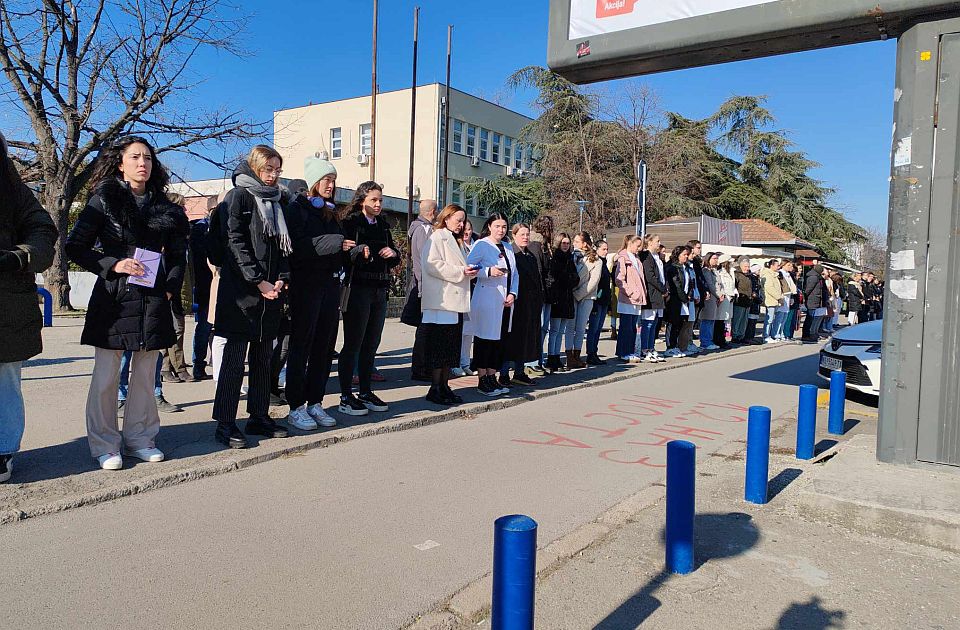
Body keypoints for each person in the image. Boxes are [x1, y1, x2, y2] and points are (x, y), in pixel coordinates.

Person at [66, 136, 189, 469]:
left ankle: (139, 438)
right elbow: (75, 247)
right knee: (106, 376)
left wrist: (170, 288)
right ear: (120, 163)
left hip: (152, 298)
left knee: (146, 375)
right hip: (114, 298)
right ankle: (105, 443)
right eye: (135, 157)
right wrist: (113, 264)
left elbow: (179, 256)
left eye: (148, 158)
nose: (142, 163)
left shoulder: (168, 209)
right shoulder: (102, 201)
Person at [210, 145, 292, 449]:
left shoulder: (276, 201)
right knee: (233, 362)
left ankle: (258, 415)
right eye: (268, 169)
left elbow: (282, 246)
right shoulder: (239, 197)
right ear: (255, 168)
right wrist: (258, 282)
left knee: (262, 359)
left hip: (270, 295)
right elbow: (234, 243)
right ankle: (225, 423)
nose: (273, 176)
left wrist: (281, 278)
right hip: (241, 295)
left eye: (277, 170)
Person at [0, 131, 58, 483]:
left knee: (6, 377)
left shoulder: (11, 187)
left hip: (7, 298)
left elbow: (43, 230)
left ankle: (4, 449)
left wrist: (18, 257)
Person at [282, 157, 353, 430]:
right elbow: (297, 247)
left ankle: (315, 402)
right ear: (313, 182)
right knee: (302, 346)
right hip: (306, 286)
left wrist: (353, 251)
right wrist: (335, 243)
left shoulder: (330, 212)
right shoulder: (296, 210)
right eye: (326, 180)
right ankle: (295, 406)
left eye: (333, 181)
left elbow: (338, 245)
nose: (331, 185)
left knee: (324, 347)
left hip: (330, 285)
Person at [336, 181, 401, 415]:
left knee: (371, 343)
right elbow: (342, 253)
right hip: (358, 288)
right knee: (353, 343)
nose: (378, 204)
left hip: (379, 288)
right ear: (362, 199)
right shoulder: (350, 222)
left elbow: (395, 254)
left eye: (380, 200)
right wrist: (357, 251)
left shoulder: (383, 225)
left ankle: (365, 391)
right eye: (374, 200)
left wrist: (393, 253)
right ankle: (346, 395)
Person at [419, 204, 477, 404]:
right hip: (441, 301)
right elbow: (432, 264)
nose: (461, 225)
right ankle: (435, 388)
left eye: (463, 221)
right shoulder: (438, 237)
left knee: (450, 348)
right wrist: (461, 272)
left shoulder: (455, 239)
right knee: (440, 347)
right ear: (447, 218)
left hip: (454, 301)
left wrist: (467, 271)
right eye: (458, 220)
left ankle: (444, 386)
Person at [466, 212, 519, 396]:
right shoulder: (481, 244)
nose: (501, 230)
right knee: (484, 340)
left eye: (504, 226)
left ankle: (492, 376)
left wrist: (513, 293)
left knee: (499, 341)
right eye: (497, 226)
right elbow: (469, 267)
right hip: (487, 298)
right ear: (489, 226)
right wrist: (488, 271)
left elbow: (515, 273)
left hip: (505, 302)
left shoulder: (508, 247)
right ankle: (482, 379)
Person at [502, 223, 545, 383]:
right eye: (522, 234)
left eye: (527, 234)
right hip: (515, 304)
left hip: (530, 304)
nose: (526, 237)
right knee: (510, 340)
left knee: (524, 340)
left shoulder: (530, 255)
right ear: (514, 235)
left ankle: (519, 372)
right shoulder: (511, 254)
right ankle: (504, 374)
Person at [405, 199, 438, 382]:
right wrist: (423, 287)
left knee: (426, 329)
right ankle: (420, 368)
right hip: (424, 286)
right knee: (425, 329)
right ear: (432, 212)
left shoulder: (419, 228)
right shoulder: (422, 229)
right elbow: (424, 260)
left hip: (424, 285)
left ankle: (423, 366)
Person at [544, 232, 578, 373]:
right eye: (563, 243)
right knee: (554, 330)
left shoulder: (570, 258)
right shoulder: (555, 259)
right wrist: (567, 279)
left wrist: (569, 279)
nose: (565, 245)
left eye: (567, 243)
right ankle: (551, 357)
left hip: (567, 297)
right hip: (557, 298)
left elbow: (575, 278)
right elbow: (555, 278)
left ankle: (557, 356)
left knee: (561, 331)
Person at [567, 232, 601, 369]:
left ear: (585, 244)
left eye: (577, 241)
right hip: (571, 294)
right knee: (570, 327)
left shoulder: (596, 260)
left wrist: (579, 294)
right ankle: (569, 356)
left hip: (586, 296)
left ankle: (577, 354)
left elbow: (593, 281)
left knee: (580, 327)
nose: (574, 244)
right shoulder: (571, 257)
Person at [190, 203, 215, 381]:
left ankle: (217, 363)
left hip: (221, 286)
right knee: (204, 328)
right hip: (205, 286)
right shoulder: (200, 230)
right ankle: (198, 365)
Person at [614, 235, 646, 362]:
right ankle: (624, 352)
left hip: (637, 299)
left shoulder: (636, 259)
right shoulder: (623, 258)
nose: (639, 249)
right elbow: (619, 279)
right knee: (626, 327)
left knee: (633, 327)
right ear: (630, 243)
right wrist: (631, 292)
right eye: (637, 246)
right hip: (628, 299)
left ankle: (629, 351)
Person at [529, 215, 555, 370]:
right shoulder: (536, 246)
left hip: (546, 294)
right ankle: (532, 361)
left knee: (543, 328)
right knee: (537, 328)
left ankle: (537, 358)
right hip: (540, 294)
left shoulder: (545, 246)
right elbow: (539, 272)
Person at [453, 219, 477, 377]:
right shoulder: (456, 245)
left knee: (469, 332)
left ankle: (465, 362)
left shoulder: (476, 245)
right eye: (464, 229)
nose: (467, 232)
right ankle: (455, 364)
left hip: (474, 291)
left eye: (469, 229)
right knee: (458, 331)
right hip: (460, 292)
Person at [638, 235, 667, 363]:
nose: (659, 244)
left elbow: (661, 275)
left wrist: (665, 289)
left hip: (659, 295)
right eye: (657, 241)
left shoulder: (658, 257)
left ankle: (651, 347)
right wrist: (662, 288)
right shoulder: (646, 256)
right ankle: (645, 350)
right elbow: (650, 276)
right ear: (649, 243)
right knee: (648, 323)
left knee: (655, 322)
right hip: (651, 294)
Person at [665, 245, 695, 357]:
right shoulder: (673, 267)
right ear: (677, 255)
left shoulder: (685, 267)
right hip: (675, 300)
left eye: (687, 255)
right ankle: (670, 346)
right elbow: (676, 285)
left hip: (684, 300)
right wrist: (684, 298)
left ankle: (675, 346)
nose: (686, 257)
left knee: (680, 323)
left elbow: (690, 283)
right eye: (684, 255)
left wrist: (689, 295)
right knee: (672, 323)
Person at [585, 240, 611, 365]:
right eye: (603, 249)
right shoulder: (595, 262)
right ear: (597, 249)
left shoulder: (604, 263)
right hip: (597, 300)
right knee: (593, 329)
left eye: (607, 249)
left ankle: (594, 352)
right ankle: (590, 353)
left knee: (598, 329)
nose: (606, 251)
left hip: (604, 300)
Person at [699, 252, 722, 351]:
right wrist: (718, 295)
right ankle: (705, 342)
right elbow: (710, 285)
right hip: (710, 298)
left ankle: (709, 340)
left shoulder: (713, 270)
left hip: (715, 298)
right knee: (707, 320)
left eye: (717, 258)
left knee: (711, 320)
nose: (716, 260)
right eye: (714, 258)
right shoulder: (706, 270)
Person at [715, 254, 737, 349]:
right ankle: (718, 339)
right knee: (720, 319)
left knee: (725, 319)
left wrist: (734, 293)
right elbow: (721, 286)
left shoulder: (730, 272)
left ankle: (722, 338)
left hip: (730, 297)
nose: (731, 264)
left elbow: (732, 285)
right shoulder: (720, 272)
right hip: (724, 297)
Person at [801, 264, 828, 342]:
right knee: (809, 318)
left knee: (812, 318)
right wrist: (805, 298)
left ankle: (811, 334)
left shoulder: (817, 277)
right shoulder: (813, 277)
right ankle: (806, 335)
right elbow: (808, 289)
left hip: (816, 299)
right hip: (812, 299)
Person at [760, 259, 785, 343]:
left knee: (772, 318)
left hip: (774, 300)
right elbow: (769, 288)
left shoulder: (774, 275)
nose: (778, 267)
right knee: (769, 319)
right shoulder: (768, 275)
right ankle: (766, 336)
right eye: (777, 265)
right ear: (771, 266)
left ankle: (769, 335)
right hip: (770, 300)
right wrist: (779, 297)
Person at [731, 257, 753, 344]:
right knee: (737, 319)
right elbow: (735, 286)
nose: (747, 268)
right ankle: (735, 336)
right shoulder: (737, 274)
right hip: (739, 300)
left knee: (744, 320)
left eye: (748, 266)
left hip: (747, 300)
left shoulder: (749, 275)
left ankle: (741, 335)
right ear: (740, 266)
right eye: (745, 266)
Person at [778, 261, 799, 340]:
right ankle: (778, 333)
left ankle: (783, 334)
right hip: (783, 297)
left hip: (789, 296)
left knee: (785, 317)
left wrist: (792, 297)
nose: (791, 267)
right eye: (788, 265)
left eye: (791, 265)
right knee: (780, 317)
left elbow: (792, 287)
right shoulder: (780, 273)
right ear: (783, 265)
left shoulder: (789, 275)